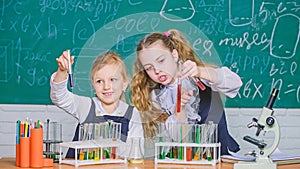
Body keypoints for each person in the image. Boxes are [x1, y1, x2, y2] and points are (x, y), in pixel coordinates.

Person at [131, 29, 242, 156]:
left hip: (218, 156)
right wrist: (180, 110)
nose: (157, 70)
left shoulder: (198, 76)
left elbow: (235, 83)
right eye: (149, 68)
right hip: (184, 158)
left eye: (161, 61)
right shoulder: (156, 97)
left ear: (174, 55)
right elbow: (177, 136)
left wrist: (200, 72)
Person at [50, 50, 144, 158]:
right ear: (93, 85)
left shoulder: (132, 114)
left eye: (113, 80)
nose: (106, 86)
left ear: (124, 84)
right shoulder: (86, 106)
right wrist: (62, 71)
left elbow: (136, 152)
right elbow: (59, 97)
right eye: (99, 81)